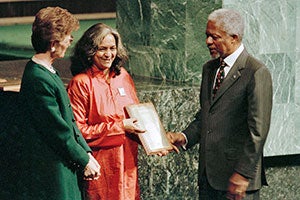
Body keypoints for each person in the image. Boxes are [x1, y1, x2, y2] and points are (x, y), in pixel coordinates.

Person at [167, 8, 273, 200]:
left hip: (238, 182)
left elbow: (258, 131)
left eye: (214, 37)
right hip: (208, 179)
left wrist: (243, 174)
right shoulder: (209, 69)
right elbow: (207, 115)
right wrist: (184, 137)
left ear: (234, 37)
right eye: (207, 36)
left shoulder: (256, 72)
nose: (208, 42)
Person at [5, 7, 100, 200]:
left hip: (62, 164)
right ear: (53, 44)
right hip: (51, 170)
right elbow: (58, 131)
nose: (70, 40)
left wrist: (87, 154)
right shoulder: (38, 78)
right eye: (67, 36)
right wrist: (83, 160)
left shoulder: (48, 72)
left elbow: (70, 122)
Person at [67, 23, 145, 200]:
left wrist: (154, 141)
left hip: (128, 164)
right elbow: (78, 131)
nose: (109, 54)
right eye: (102, 49)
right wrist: (120, 126)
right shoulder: (81, 83)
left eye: (112, 48)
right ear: (89, 50)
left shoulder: (123, 76)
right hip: (102, 167)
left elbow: (138, 116)